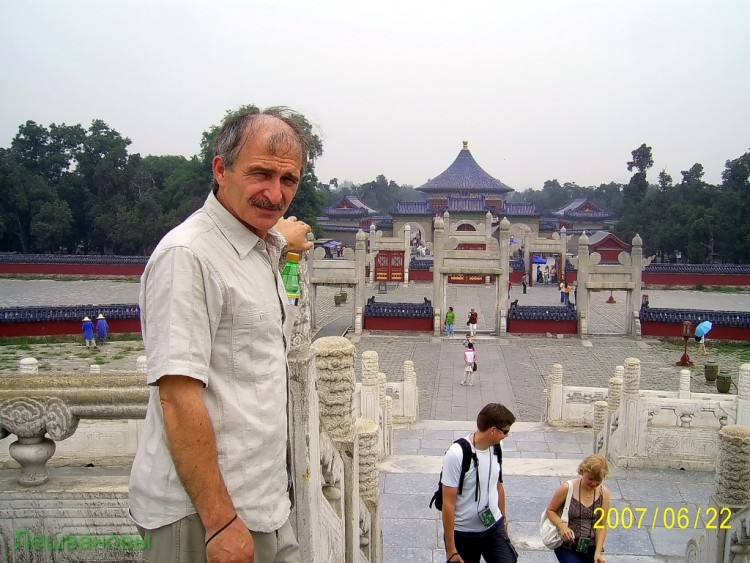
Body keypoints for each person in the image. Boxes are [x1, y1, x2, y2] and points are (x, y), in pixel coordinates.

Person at [128, 107, 315, 563]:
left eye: (288, 180)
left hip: (264, 502)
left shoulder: (260, 248)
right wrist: (220, 521)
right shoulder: (188, 255)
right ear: (221, 169)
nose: (274, 194)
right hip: (203, 519)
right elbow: (178, 396)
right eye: (260, 174)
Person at [440, 403, 517, 563]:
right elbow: (448, 503)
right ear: (493, 430)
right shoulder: (456, 454)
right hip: (463, 532)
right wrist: (451, 549)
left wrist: (503, 520)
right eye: (505, 432)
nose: (506, 436)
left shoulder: (498, 447)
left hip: (493, 525)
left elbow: (498, 485)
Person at [545, 454, 611, 563]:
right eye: (590, 479)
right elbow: (550, 511)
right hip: (567, 544)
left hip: (590, 545)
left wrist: (598, 552)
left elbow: (601, 525)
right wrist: (562, 527)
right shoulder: (567, 488)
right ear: (583, 471)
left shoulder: (604, 493)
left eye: (598, 480)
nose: (594, 483)